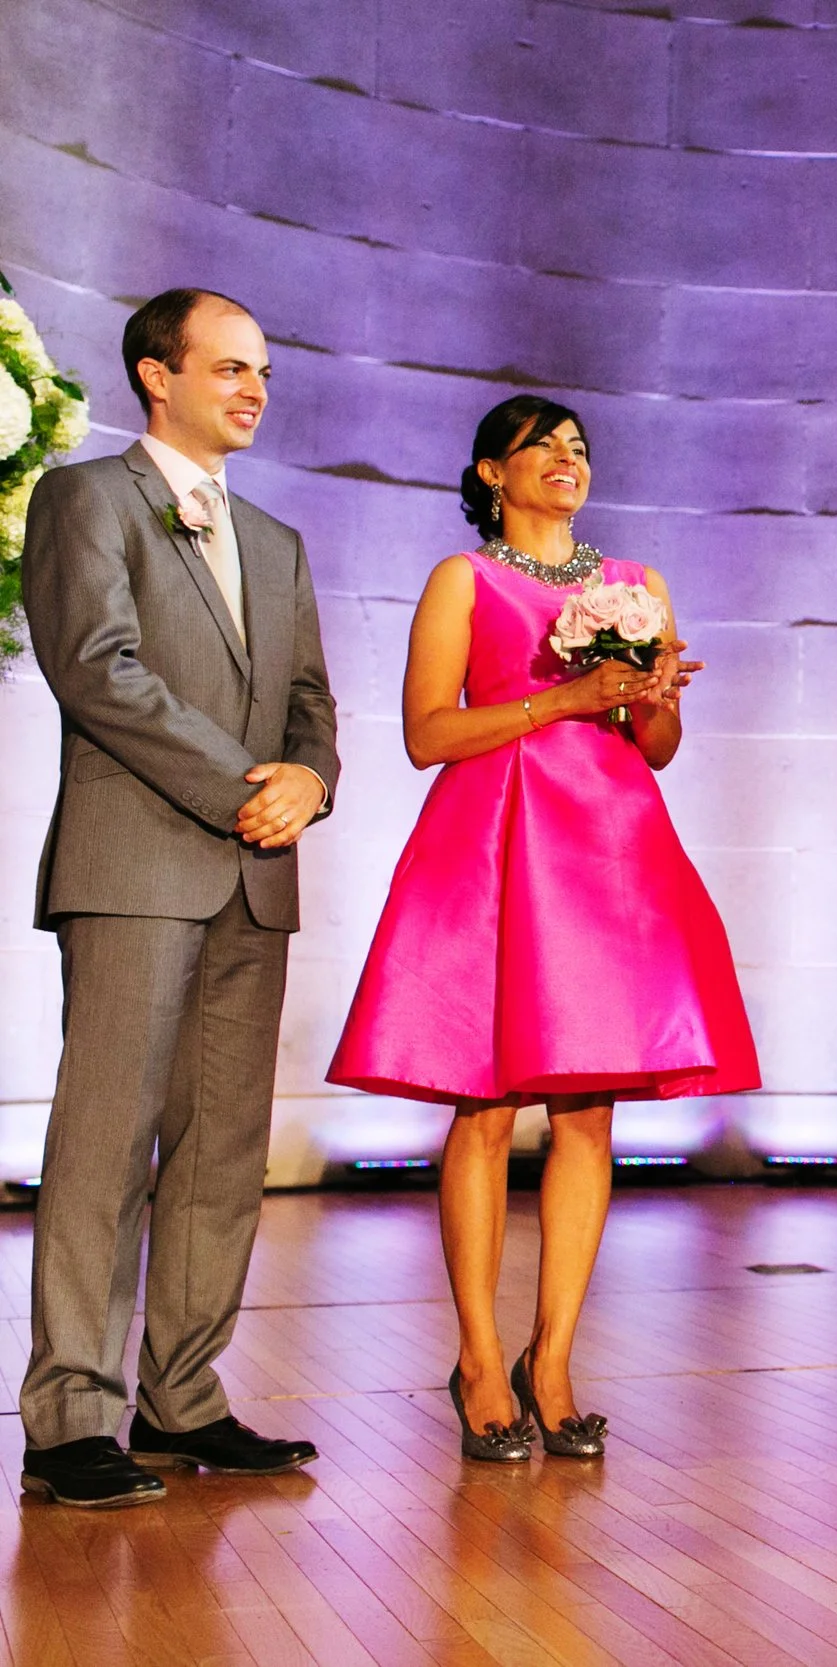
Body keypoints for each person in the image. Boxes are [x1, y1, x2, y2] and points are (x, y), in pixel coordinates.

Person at [328, 395, 758, 1463]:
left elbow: (656, 746)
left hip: (608, 849)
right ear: (488, 473)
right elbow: (429, 732)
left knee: (589, 1110)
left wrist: (650, 694)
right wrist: (558, 704)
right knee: (481, 1103)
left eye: (580, 449)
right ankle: (477, 1356)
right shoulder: (461, 580)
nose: (567, 461)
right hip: (492, 839)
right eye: (542, 448)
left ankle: (552, 1354)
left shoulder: (637, 583)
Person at [17, 288, 338, 1507]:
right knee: (105, 1143)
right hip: (137, 861)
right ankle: (68, 1419)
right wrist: (243, 786)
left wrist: (307, 779)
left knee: (220, 1151)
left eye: (263, 370)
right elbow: (96, 667)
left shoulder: (278, 540)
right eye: (228, 367)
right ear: (158, 375)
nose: (253, 388)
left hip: (257, 876)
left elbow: (311, 699)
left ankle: (184, 1397)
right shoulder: (86, 498)